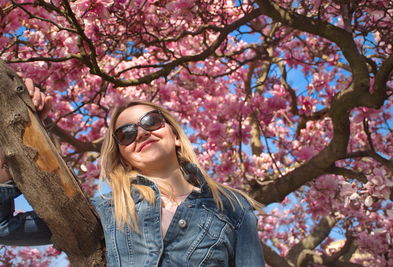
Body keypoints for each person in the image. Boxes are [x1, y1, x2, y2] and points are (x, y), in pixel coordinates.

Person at [0, 79, 265, 266]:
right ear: (123, 155)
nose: (141, 133)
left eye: (151, 121)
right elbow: (3, 228)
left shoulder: (232, 207)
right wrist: (14, 140)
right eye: (126, 134)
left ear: (174, 134)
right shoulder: (107, 208)